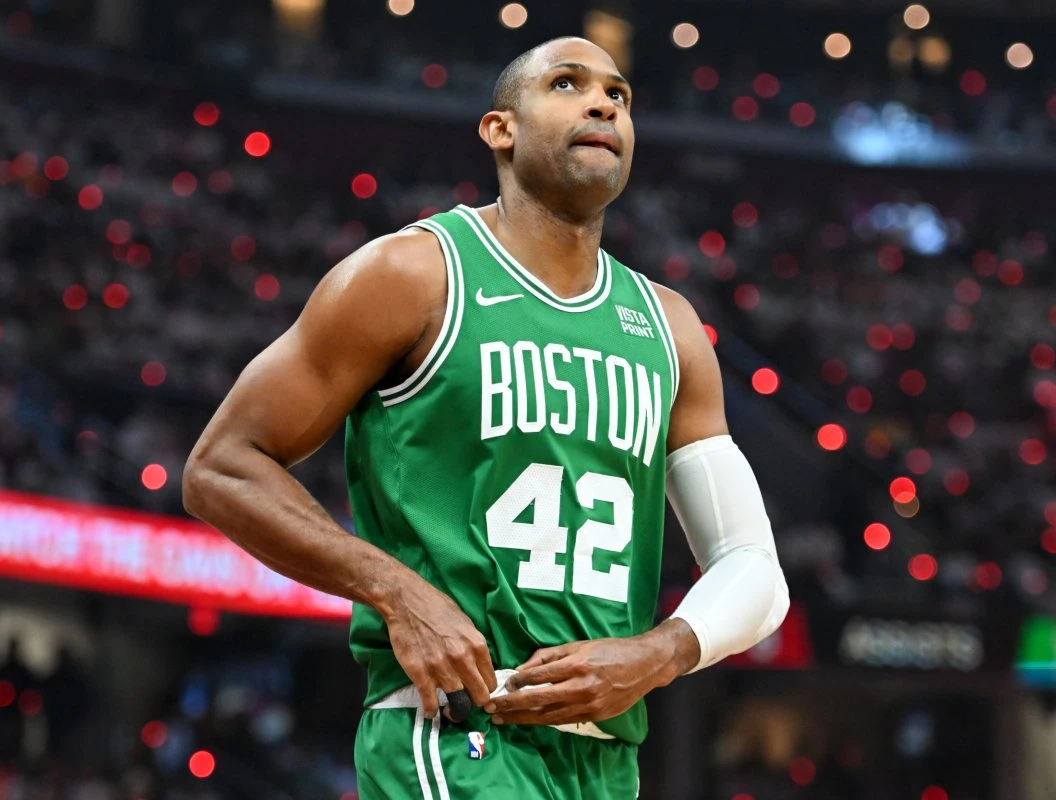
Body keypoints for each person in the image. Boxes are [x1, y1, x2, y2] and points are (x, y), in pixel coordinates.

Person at [184, 36, 788, 799]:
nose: (603, 104)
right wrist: (395, 591)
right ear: (501, 129)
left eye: (619, 95)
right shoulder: (413, 273)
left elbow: (753, 567)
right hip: (459, 730)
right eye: (567, 84)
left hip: (605, 759)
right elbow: (221, 467)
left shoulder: (669, 328)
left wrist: (661, 652)